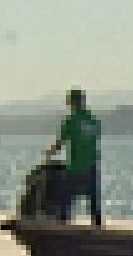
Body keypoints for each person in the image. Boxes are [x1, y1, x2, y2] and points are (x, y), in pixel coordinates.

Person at [44, 88, 104, 226]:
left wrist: (49, 153)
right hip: (92, 164)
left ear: (71, 102)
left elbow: (60, 143)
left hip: (76, 165)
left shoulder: (71, 121)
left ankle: (63, 224)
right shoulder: (94, 120)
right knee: (93, 197)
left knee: (66, 196)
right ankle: (97, 225)